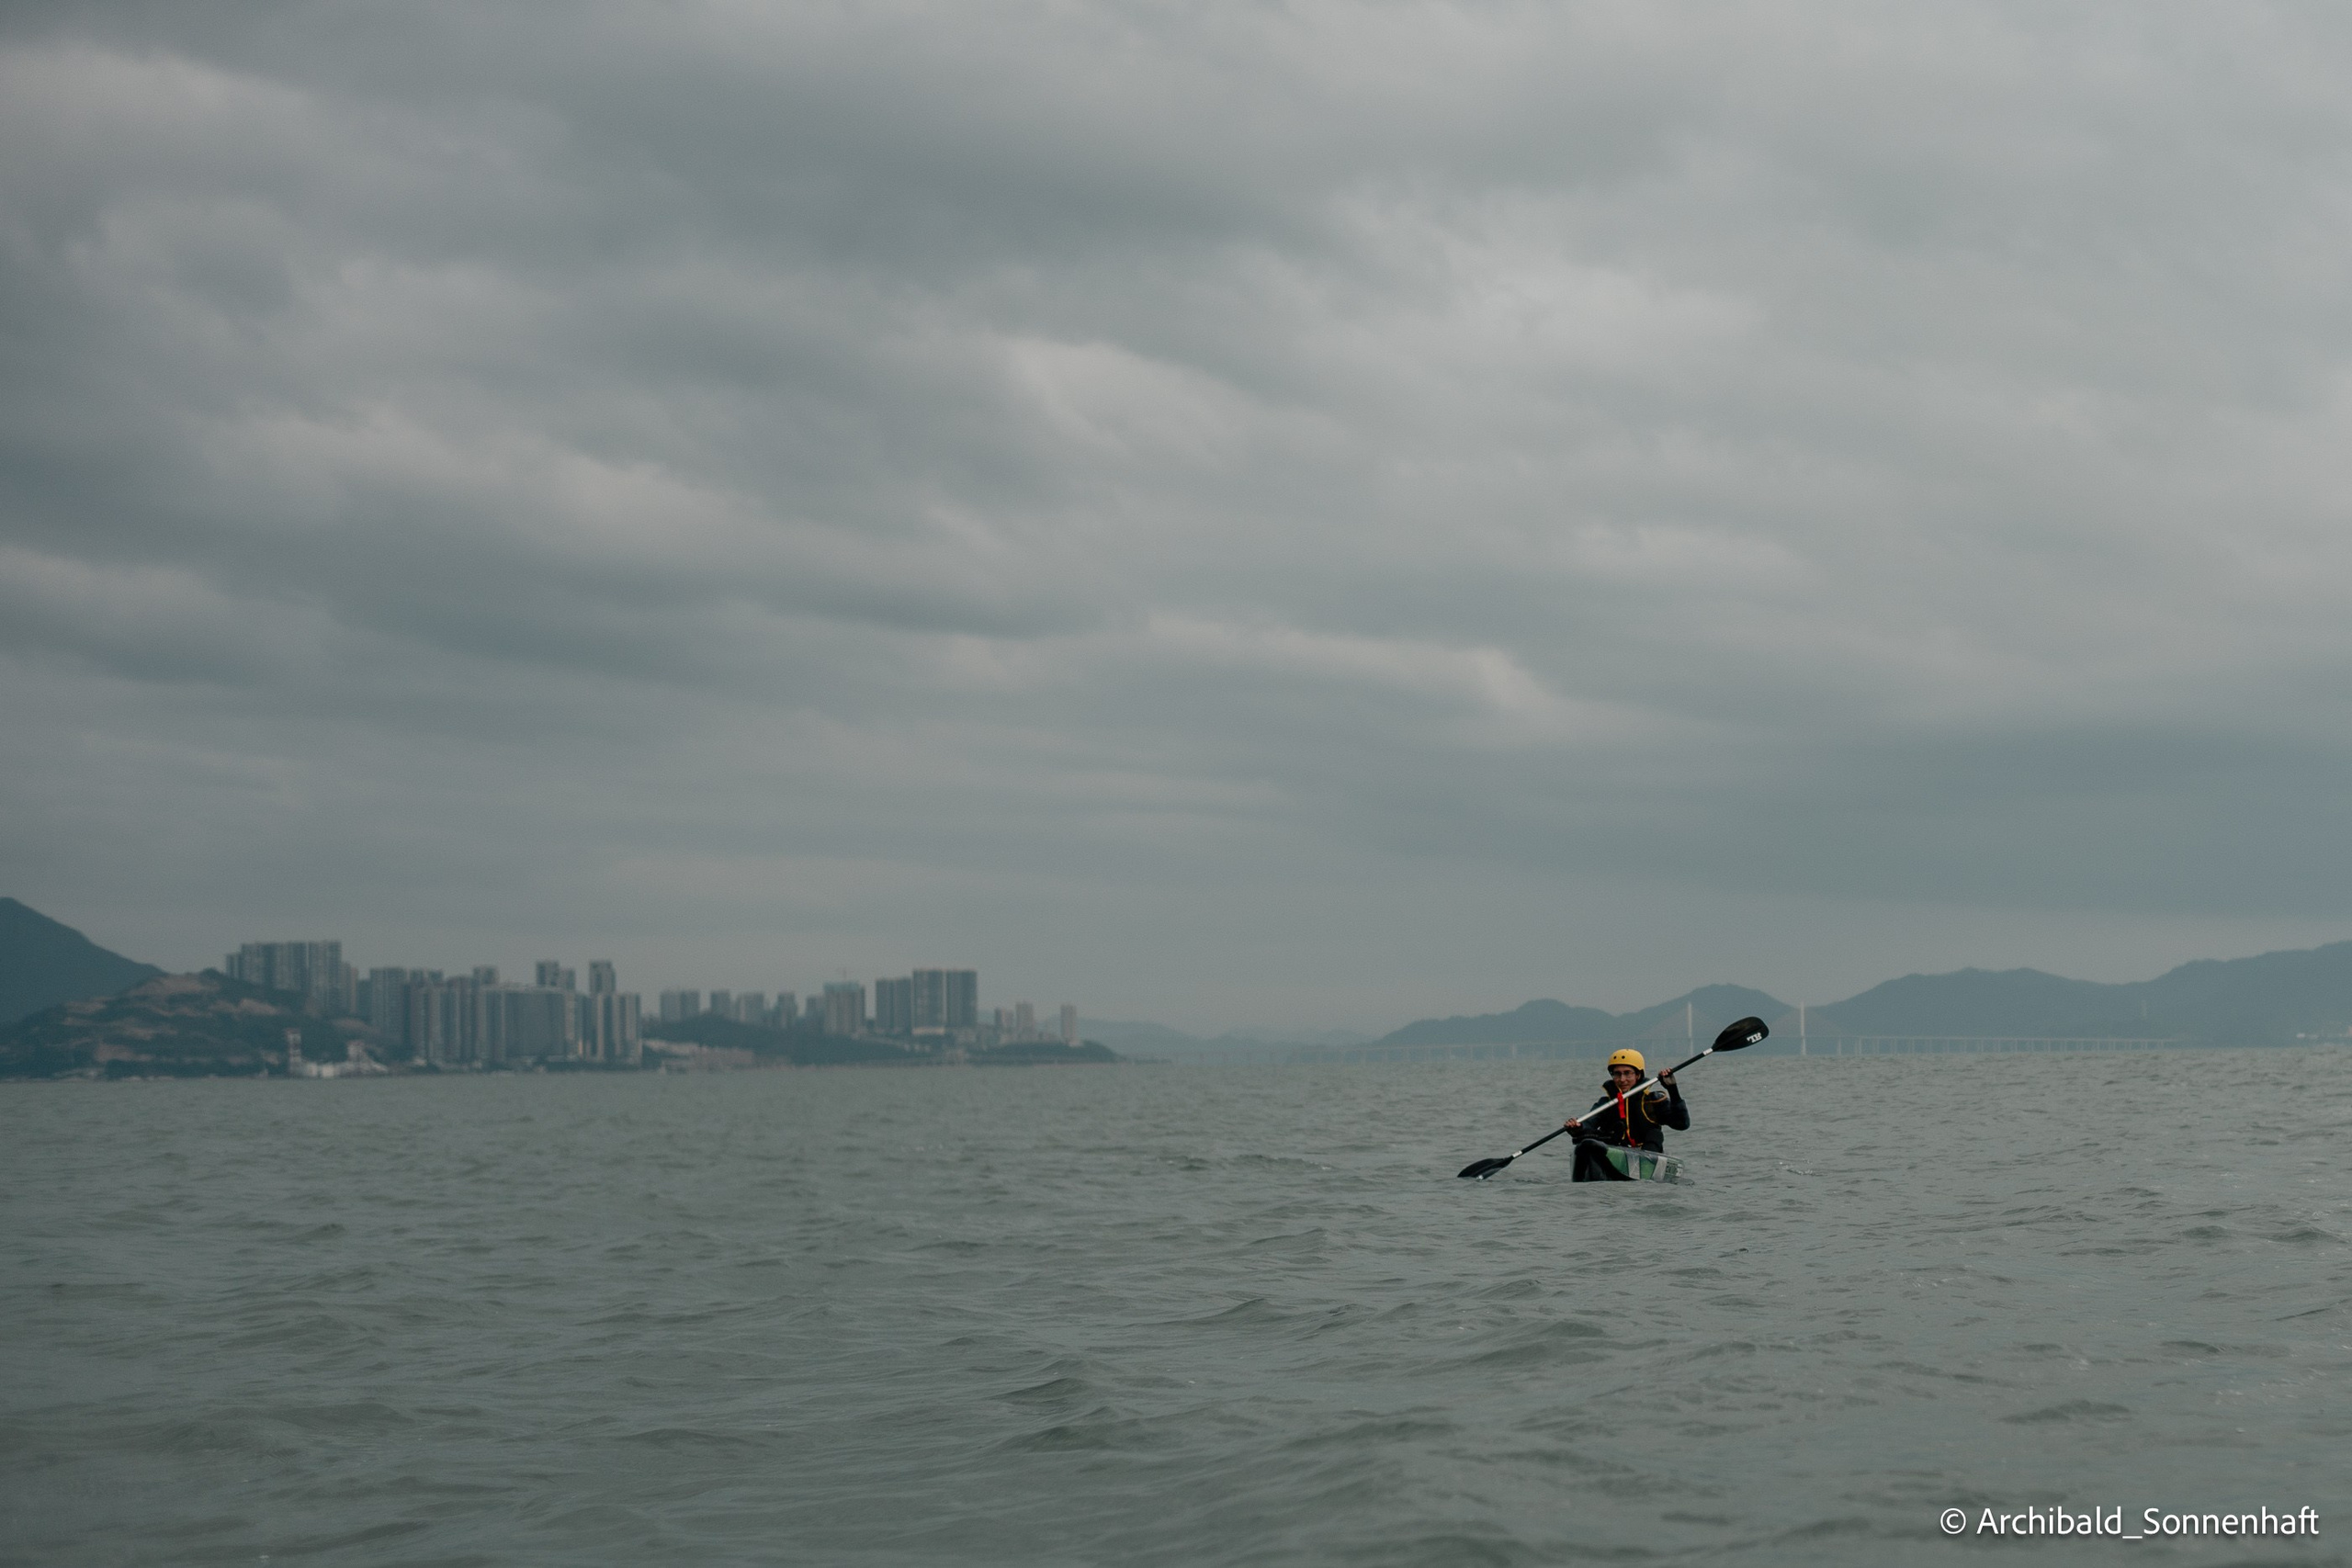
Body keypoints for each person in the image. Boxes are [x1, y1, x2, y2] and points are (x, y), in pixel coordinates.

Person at [1566, 1047, 1687, 1181]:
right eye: (1617, 1074)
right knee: (1588, 1143)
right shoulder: (1606, 1103)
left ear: (1638, 1075)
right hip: (1616, 1151)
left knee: (1655, 1134)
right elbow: (1588, 1123)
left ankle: (1645, 1165)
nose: (1622, 1079)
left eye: (1627, 1073)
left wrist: (1673, 1089)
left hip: (1647, 1153)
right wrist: (1577, 1127)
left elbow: (1682, 1124)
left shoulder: (1653, 1100)